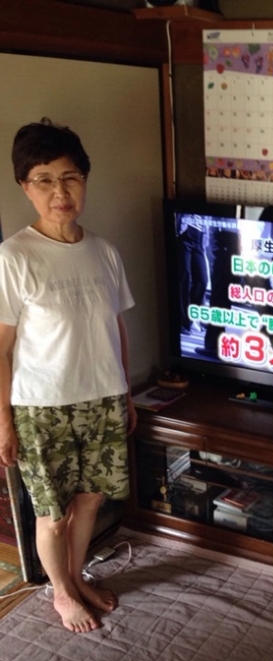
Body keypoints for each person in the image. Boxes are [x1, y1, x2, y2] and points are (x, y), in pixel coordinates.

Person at [0, 118, 136, 634]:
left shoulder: (104, 252)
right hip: (41, 406)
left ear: (84, 180)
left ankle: (76, 577)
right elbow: (1, 348)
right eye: (44, 180)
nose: (60, 192)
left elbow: (116, 328)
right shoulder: (14, 256)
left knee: (91, 499)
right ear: (25, 187)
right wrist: (4, 421)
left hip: (103, 398)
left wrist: (126, 394)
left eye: (70, 177)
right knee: (52, 513)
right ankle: (60, 593)